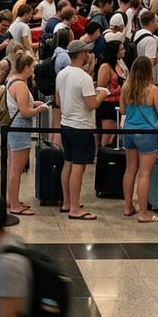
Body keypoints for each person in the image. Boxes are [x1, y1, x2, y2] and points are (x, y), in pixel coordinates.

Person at [56, 40, 109, 220]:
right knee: (78, 167)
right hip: (81, 126)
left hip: (66, 123)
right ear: (81, 54)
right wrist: (101, 94)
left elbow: (58, 100)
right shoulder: (84, 78)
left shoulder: (62, 74)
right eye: (87, 53)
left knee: (68, 163)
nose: (88, 56)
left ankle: (66, 202)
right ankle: (75, 208)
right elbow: (92, 104)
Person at [120, 55, 158, 222]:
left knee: (130, 170)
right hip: (147, 134)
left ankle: (128, 206)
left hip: (128, 131)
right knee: (144, 174)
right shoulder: (152, 90)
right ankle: (144, 213)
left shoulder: (126, 87)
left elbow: (122, 111)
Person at [4, 52, 49, 215]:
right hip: (20, 128)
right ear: (26, 68)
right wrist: (39, 109)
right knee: (17, 168)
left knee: (12, 167)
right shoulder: (21, 85)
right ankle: (15, 205)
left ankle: (12, 199)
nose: (33, 70)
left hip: (12, 127)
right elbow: (25, 112)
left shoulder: (12, 80)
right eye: (32, 67)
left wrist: (34, 103)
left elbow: (20, 104)